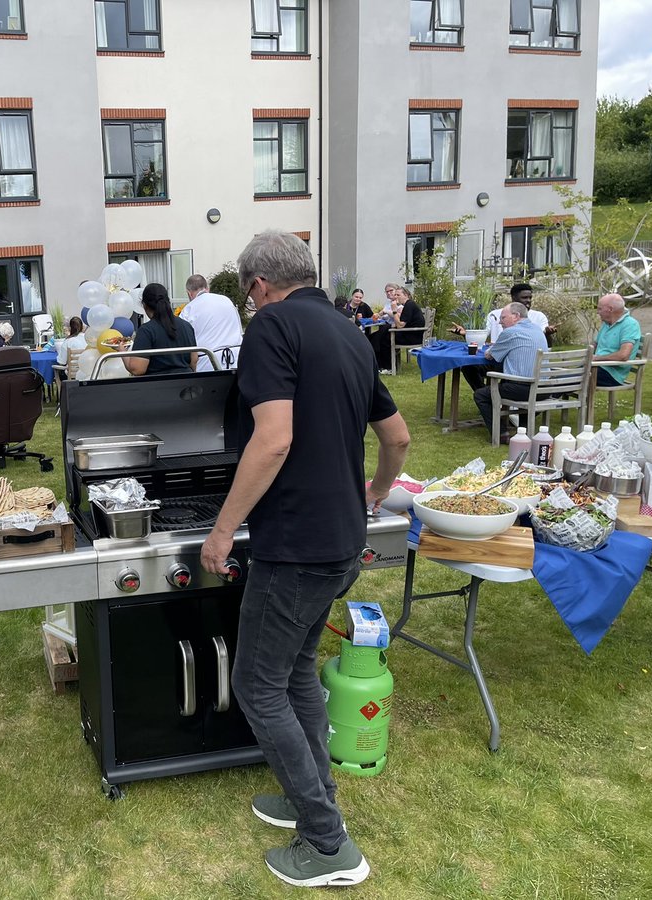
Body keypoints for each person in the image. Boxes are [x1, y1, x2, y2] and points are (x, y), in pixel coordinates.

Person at [200, 231, 409, 889]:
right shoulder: (348, 331)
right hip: (343, 541)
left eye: (247, 290)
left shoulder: (271, 330)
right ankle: (307, 793)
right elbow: (397, 436)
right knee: (292, 674)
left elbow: (273, 441)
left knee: (256, 685)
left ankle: (328, 847)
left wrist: (223, 531)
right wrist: (373, 492)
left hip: (297, 547)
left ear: (257, 285)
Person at [472, 302, 548, 440]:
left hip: (525, 390)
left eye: (503, 318)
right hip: (543, 389)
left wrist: (489, 349)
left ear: (516, 316)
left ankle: (501, 433)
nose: (500, 322)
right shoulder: (538, 330)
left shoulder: (510, 332)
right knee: (515, 376)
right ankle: (523, 429)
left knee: (481, 395)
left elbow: (490, 355)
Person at [124, 283, 196, 376]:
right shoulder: (186, 326)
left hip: (158, 386)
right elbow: (194, 360)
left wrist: (122, 352)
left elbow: (137, 369)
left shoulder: (146, 330)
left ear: (144, 305)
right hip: (186, 384)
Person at [179, 274, 243, 371]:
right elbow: (239, 329)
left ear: (189, 293)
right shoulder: (226, 300)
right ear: (207, 288)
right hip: (235, 359)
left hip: (207, 363)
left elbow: (183, 340)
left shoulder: (188, 309)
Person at [369, 285, 424, 374]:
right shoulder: (408, 305)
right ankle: (380, 364)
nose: (396, 297)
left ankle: (388, 367)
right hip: (411, 333)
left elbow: (400, 326)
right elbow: (401, 323)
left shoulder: (409, 305)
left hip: (412, 336)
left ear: (406, 295)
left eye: (398, 295)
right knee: (384, 331)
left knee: (384, 338)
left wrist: (394, 311)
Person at [592, 292, 642, 387]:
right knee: (557, 375)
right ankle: (556, 400)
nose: (597, 312)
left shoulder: (630, 325)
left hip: (611, 374)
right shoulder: (606, 324)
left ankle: (556, 399)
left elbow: (623, 355)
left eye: (600, 309)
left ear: (610, 309)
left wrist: (598, 358)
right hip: (595, 367)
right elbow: (594, 345)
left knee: (567, 379)